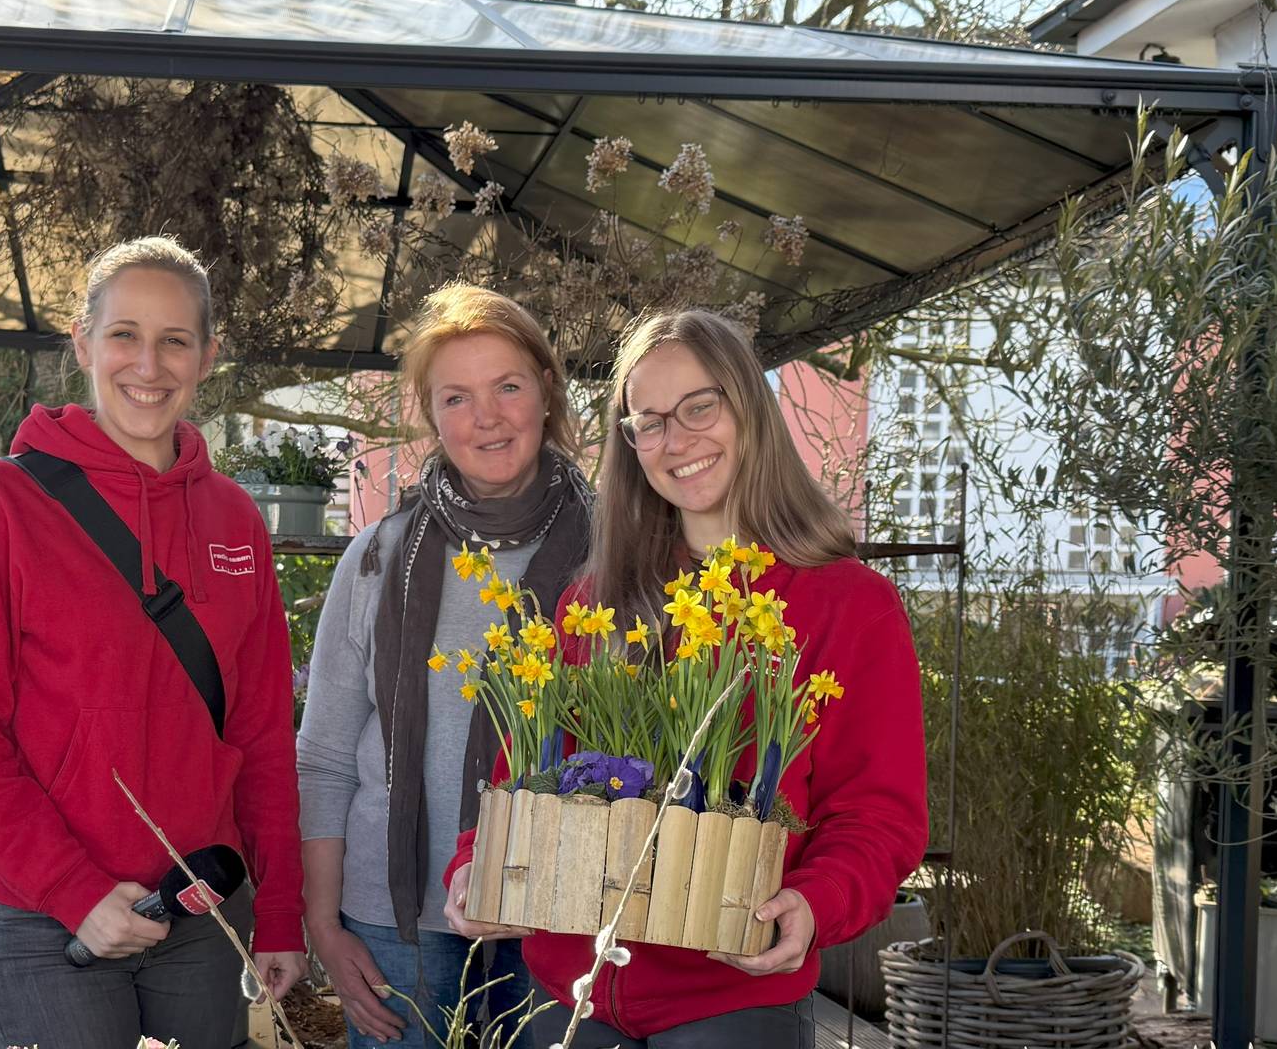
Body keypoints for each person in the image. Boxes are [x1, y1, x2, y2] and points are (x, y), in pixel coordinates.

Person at [442, 309, 926, 1047]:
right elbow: (522, 779)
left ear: (749, 409)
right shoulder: (592, 606)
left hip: (731, 997)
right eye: (650, 421)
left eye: (701, 405)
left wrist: (813, 902)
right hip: (569, 994)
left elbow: (880, 815)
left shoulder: (850, 604)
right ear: (630, 446)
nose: (679, 439)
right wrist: (475, 868)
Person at [0, 235, 309, 1048]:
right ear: (83, 344)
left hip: (204, 912)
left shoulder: (236, 520)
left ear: (207, 357)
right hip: (43, 919)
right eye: (125, 335)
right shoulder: (1, 502)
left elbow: (264, 736)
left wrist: (279, 914)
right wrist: (74, 891)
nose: (150, 363)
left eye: (176, 340)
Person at [298, 287, 591, 1047]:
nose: (486, 416)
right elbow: (326, 756)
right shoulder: (377, 559)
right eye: (456, 397)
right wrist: (323, 926)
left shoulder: (617, 556)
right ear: (431, 416)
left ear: (547, 392)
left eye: (508, 386)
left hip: (562, 909)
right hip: (395, 920)